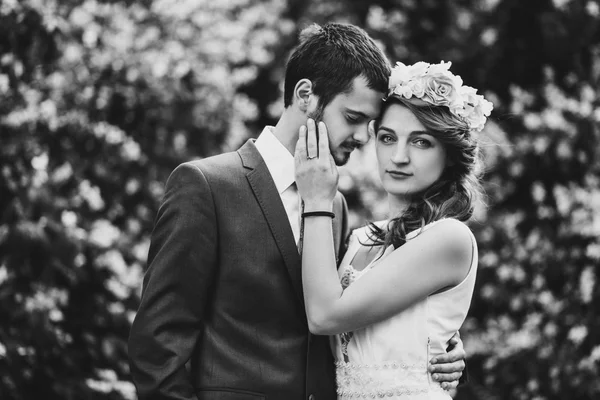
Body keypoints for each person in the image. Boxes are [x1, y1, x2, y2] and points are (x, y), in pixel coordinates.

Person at [128, 24, 466, 400]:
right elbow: (156, 348)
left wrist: (437, 343)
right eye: (353, 118)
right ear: (305, 94)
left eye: (370, 126)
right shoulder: (206, 186)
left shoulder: (333, 207)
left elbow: (346, 318)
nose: (362, 138)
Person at [294, 60, 493, 399]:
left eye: (421, 142)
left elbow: (325, 316)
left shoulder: (449, 238)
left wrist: (315, 200)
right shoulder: (358, 239)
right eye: (388, 138)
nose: (398, 157)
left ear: (449, 154)